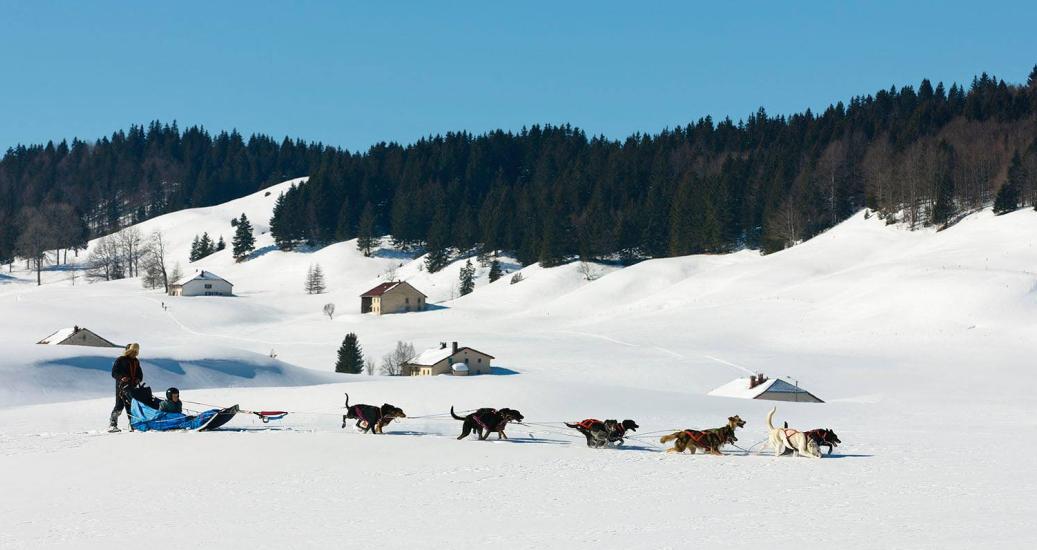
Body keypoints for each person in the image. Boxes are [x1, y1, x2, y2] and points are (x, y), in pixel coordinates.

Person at [109, 343, 143, 432]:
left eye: (135, 352)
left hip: (132, 388)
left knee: (132, 407)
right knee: (119, 406)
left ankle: (134, 425)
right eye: (132, 351)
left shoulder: (136, 361)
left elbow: (140, 373)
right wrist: (121, 378)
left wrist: (138, 379)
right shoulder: (120, 360)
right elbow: (114, 373)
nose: (134, 353)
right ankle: (112, 425)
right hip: (121, 387)